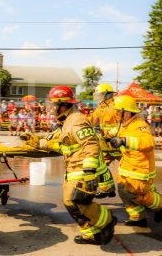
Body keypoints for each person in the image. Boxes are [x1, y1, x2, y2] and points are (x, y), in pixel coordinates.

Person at [39, 85, 117, 245]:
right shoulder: (67, 121)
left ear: (63, 105)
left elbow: (91, 144)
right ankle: (91, 234)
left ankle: (107, 221)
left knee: (78, 202)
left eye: (54, 105)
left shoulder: (76, 120)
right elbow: (67, 144)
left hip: (81, 169)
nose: (51, 108)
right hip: (72, 169)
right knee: (70, 203)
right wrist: (44, 144)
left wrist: (89, 170)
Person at [109, 95, 162, 227]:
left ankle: (161, 204)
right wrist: (103, 133)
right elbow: (113, 132)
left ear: (128, 112)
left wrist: (125, 141)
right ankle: (138, 217)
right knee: (123, 192)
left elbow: (148, 143)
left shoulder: (139, 125)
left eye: (119, 111)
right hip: (128, 167)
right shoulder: (125, 125)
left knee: (136, 195)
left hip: (139, 170)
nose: (116, 114)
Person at [87, 84, 118, 198]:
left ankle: (147, 194)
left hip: (120, 145)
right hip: (107, 145)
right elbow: (91, 119)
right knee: (100, 165)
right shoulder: (101, 107)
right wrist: (79, 122)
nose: (98, 98)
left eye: (99, 95)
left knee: (131, 171)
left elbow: (123, 124)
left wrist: (112, 134)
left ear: (106, 94)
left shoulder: (116, 106)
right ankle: (108, 189)